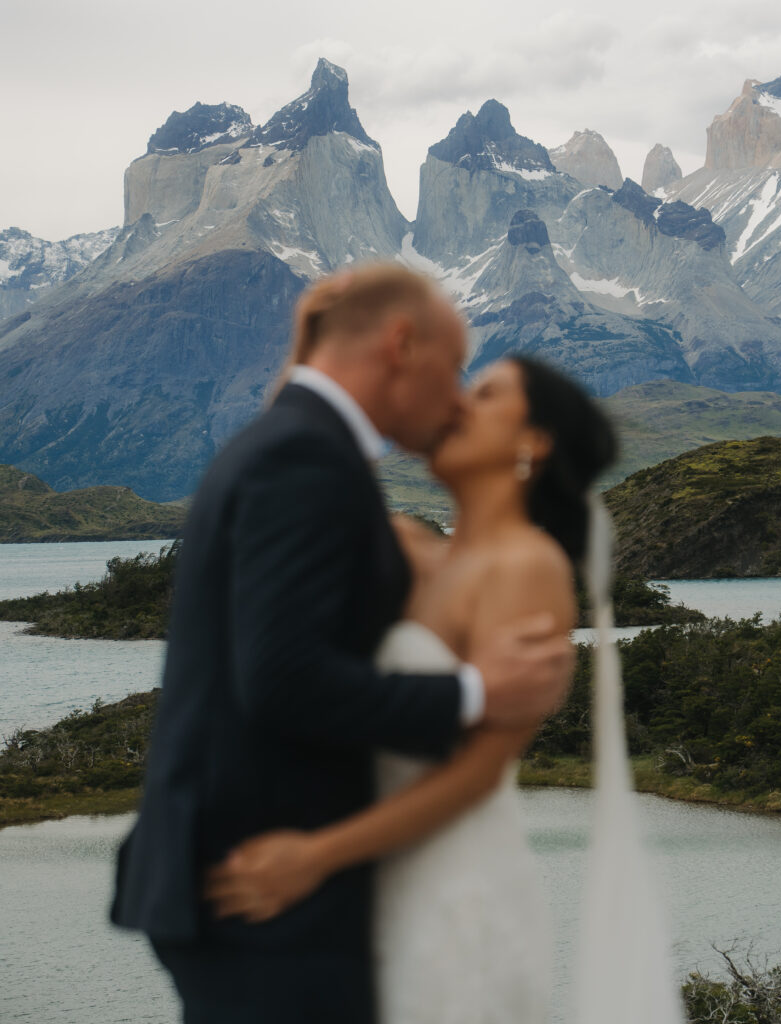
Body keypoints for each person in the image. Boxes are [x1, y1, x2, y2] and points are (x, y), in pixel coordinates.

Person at [111, 265, 577, 1024]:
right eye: (455, 367)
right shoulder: (307, 458)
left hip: (274, 881)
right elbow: (283, 676)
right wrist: (476, 692)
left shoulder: (300, 449)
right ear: (400, 344)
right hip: (260, 881)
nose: (457, 397)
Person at [204, 354, 617, 1024]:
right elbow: (293, 468)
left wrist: (313, 857)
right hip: (373, 882)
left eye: (483, 394)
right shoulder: (409, 547)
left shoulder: (527, 566)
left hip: (455, 888)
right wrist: (316, 345)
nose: (456, 403)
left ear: (531, 443)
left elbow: (479, 773)